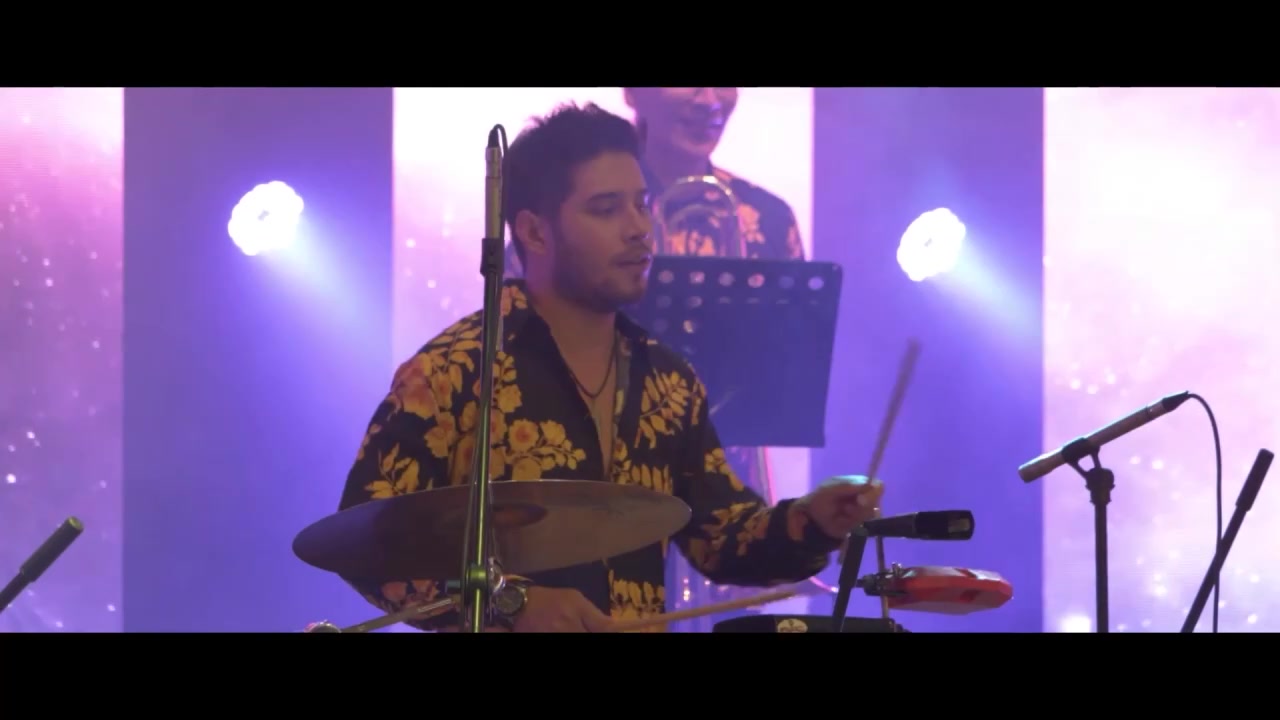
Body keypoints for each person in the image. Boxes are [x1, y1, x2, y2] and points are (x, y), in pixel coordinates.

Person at [339, 103, 882, 632]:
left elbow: (721, 538)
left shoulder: (668, 380)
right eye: (605, 209)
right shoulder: (452, 371)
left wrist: (811, 520)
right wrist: (510, 602)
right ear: (534, 232)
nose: (638, 228)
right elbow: (367, 544)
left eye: (641, 205)